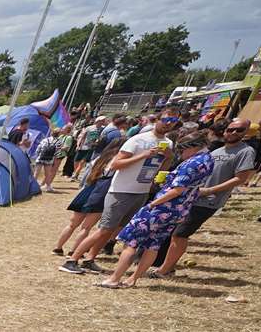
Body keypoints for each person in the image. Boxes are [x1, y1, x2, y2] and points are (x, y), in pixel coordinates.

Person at [101, 130, 213, 288]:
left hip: (162, 208)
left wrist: (153, 204)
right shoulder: (208, 159)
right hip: (180, 210)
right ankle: (133, 279)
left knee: (131, 242)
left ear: (194, 147)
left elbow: (177, 190)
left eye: (183, 150)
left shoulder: (193, 163)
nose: (182, 154)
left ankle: (114, 278)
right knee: (153, 244)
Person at [65, 114, 174, 270]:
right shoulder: (137, 140)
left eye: (174, 121)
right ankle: (72, 260)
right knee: (104, 229)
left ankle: (90, 259)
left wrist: (168, 158)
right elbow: (116, 164)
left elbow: (160, 168)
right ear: (157, 120)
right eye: (166, 119)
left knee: (114, 231)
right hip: (121, 190)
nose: (169, 123)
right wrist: (143, 155)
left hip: (141, 192)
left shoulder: (168, 143)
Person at [152, 119, 256, 278]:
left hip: (207, 200)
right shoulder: (217, 151)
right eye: (230, 129)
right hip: (191, 197)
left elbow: (241, 178)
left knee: (180, 234)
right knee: (175, 232)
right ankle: (166, 266)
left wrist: (209, 190)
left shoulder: (245, 151)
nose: (233, 133)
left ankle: (165, 270)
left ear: (246, 132)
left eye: (239, 130)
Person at [56, 138, 123, 269]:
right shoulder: (116, 161)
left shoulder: (99, 158)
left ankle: (58, 248)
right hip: (99, 192)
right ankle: (73, 252)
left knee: (72, 224)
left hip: (87, 190)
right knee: (86, 228)